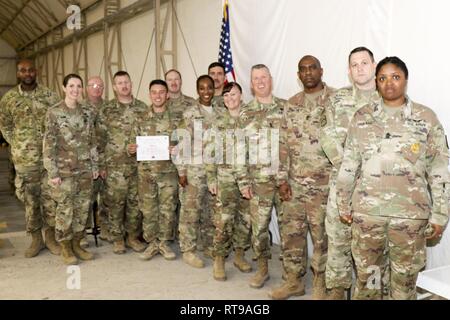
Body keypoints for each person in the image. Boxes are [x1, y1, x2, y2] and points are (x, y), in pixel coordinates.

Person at [336, 56, 449, 299]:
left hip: (408, 220)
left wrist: (440, 213)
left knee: (404, 284)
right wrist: (343, 203)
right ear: (376, 82)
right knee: (370, 281)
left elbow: (439, 170)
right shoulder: (362, 117)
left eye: (395, 77)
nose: (389, 83)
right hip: (368, 218)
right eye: (383, 78)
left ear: (405, 80)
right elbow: (349, 164)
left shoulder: (425, 118)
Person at [270, 56, 334, 300]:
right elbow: (282, 143)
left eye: (312, 68)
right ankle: (294, 281)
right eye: (303, 69)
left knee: (322, 238)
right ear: (298, 74)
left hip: (324, 185)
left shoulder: (336, 101)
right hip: (295, 185)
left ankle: (320, 284)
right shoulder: (292, 104)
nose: (308, 73)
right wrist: (282, 180)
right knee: (292, 235)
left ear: (321, 70)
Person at [320, 47, 380, 299]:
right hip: (343, 184)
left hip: (377, 188)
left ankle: (372, 292)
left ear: (374, 65)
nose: (360, 68)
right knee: (338, 239)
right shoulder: (337, 99)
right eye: (354, 65)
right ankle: (337, 289)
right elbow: (328, 137)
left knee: (374, 246)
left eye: (364, 63)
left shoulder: (387, 98)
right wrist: (348, 170)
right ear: (348, 71)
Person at [235, 64, 288, 289]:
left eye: (263, 77)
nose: (260, 81)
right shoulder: (245, 113)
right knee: (259, 229)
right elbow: (239, 149)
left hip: (285, 180)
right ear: (251, 83)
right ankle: (263, 268)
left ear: (271, 79)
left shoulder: (286, 108)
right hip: (258, 181)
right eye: (255, 78)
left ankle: (291, 272)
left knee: (289, 228)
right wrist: (242, 180)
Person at [0, 59, 60, 258]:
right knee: (30, 199)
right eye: (23, 70)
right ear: (18, 73)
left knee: (50, 198)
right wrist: (17, 143)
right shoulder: (9, 98)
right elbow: (5, 125)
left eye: (31, 70)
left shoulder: (50, 96)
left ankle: (50, 237)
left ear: (36, 72)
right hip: (25, 160)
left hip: (49, 159)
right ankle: (36, 239)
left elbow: (58, 123)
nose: (27, 73)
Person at [43, 73, 98, 265]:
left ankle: (77, 243)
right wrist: (53, 173)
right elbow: (49, 144)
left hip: (84, 170)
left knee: (82, 209)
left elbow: (92, 141)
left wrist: (94, 166)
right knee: (65, 210)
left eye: (79, 86)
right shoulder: (54, 112)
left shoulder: (88, 112)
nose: (75, 90)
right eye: (71, 86)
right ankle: (65, 247)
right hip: (64, 172)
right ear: (64, 88)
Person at [96, 71, 147, 254]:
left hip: (138, 167)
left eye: (126, 82)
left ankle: (132, 237)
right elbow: (99, 141)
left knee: (135, 204)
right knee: (115, 204)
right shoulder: (107, 110)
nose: (124, 86)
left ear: (131, 84)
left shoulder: (142, 108)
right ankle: (118, 238)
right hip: (115, 167)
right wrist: (101, 165)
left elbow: (150, 136)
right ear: (115, 87)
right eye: (120, 83)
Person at [128, 80, 179, 261]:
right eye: (154, 92)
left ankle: (164, 243)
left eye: (161, 92)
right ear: (149, 94)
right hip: (146, 174)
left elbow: (184, 144)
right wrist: (132, 148)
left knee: (167, 209)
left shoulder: (176, 119)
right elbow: (131, 144)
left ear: (167, 95)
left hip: (168, 173)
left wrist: (177, 149)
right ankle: (152, 243)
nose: (157, 95)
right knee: (148, 210)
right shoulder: (140, 118)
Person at [206, 82, 252, 281]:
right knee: (223, 221)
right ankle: (219, 258)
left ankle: (239, 255)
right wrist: (210, 177)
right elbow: (209, 152)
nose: (230, 99)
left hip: (248, 179)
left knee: (246, 219)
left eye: (233, 94)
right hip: (225, 178)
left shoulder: (250, 119)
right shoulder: (217, 122)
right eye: (226, 96)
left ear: (241, 95)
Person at [175, 75, 220, 268]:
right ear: (197, 90)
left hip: (215, 171)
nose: (207, 92)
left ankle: (207, 245)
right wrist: (182, 171)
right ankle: (188, 249)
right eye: (202, 88)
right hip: (194, 170)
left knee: (211, 211)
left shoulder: (220, 111)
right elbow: (181, 143)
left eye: (209, 87)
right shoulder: (190, 113)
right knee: (190, 211)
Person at [164, 69, 196, 240]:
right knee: (168, 200)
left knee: (186, 199)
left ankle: (184, 235)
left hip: (186, 159)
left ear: (181, 81)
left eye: (177, 79)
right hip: (164, 161)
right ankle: (168, 236)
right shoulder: (160, 102)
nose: (174, 82)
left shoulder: (192, 104)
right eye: (170, 80)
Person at [83, 76, 111, 244]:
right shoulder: (80, 108)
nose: (96, 88)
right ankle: (82, 233)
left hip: (107, 158)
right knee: (86, 198)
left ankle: (106, 228)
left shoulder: (110, 108)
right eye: (93, 85)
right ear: (87, 88)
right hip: (87, 161)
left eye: (100, 85)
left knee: (107, 197)